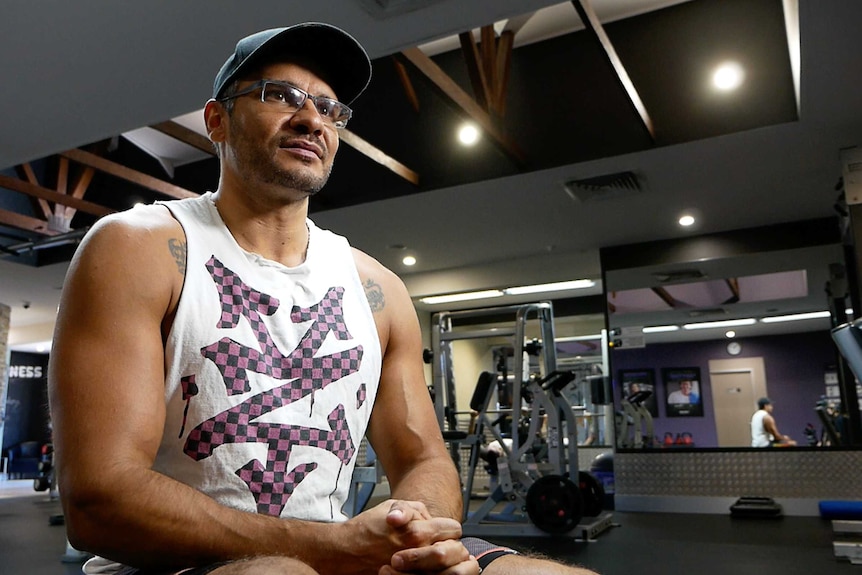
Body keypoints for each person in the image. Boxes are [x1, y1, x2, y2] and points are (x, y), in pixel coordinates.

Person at [48, 23, 599, 575]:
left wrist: (416, 537)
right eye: (281, 96)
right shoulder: (138, 249)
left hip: (342, 556)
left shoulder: (377, 289)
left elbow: (423, 458)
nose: (312, 118)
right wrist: (328, 548)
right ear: (217, 119)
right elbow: (100, 498)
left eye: (330, 108)